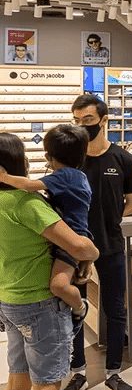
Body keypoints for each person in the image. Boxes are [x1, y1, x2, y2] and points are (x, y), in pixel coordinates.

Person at [0, 133, 99, 390]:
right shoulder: (26, 203)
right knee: (47, 383)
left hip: (10, 300)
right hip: (40, 304)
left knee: (18, 377)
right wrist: (94, 254)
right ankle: (80, 308)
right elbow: (78, 246)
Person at [60, 95, 132, 390]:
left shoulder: (123, 159)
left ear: (104, 120)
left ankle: (113, 374)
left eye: (88, 120)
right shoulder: (70, 158)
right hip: (73, 246)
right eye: (76, 120)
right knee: (73, 308)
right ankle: (78, 373)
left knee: (115, 309)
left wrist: (109, 218)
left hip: (110, 244)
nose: (81, 126)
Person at [0, 124, 93, 332]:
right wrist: (91, 254)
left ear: (49, 156)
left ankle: (79, 307)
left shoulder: (66, 176)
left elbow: (28, 185)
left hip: (75, 235)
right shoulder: (29, 201)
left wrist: (4, 177)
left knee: (59, 285)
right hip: (36, 295)